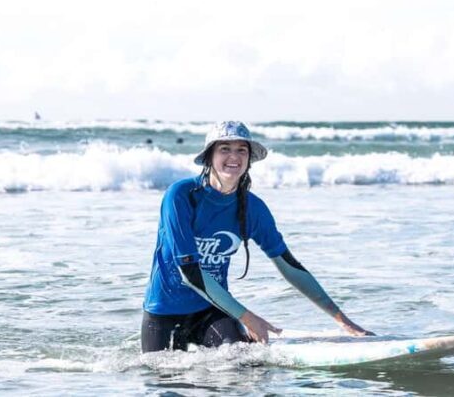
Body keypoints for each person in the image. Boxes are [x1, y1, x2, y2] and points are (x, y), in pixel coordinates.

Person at [141, 121, 371, 353]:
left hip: (211, 310)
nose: (234, 156)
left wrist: (343, 320)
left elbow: (289, 266)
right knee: (164, 380)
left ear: (249, 158)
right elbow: (189, 272)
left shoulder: (252, 208)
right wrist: (248, 317)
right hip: (164, 310)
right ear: (210, 155)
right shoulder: (181, 196)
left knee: (241, 364)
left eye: (242, 149)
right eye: (225, 149)